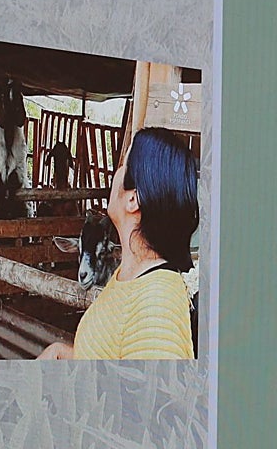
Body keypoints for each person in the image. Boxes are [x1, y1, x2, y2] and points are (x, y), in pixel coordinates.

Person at [39, 127, 198, 360]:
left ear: (133, 199)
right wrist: (67, 354)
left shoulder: (156, 310)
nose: (117, 172)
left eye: (123, 164)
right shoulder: (129, 276)